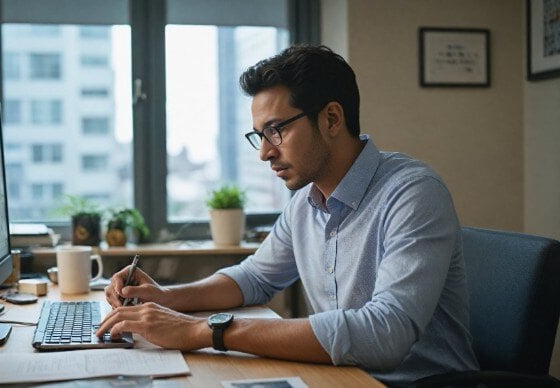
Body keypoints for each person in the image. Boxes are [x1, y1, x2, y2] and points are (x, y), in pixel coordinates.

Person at [97, 44, 478, 385]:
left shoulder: (412, 193)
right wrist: (166, 298)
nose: (264, 152)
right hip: (340, 377)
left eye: (276, 130)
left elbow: (385, 333)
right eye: (259, 135)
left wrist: (204, 331)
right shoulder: (305, 200)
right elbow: (255, 278)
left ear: (331, 119)